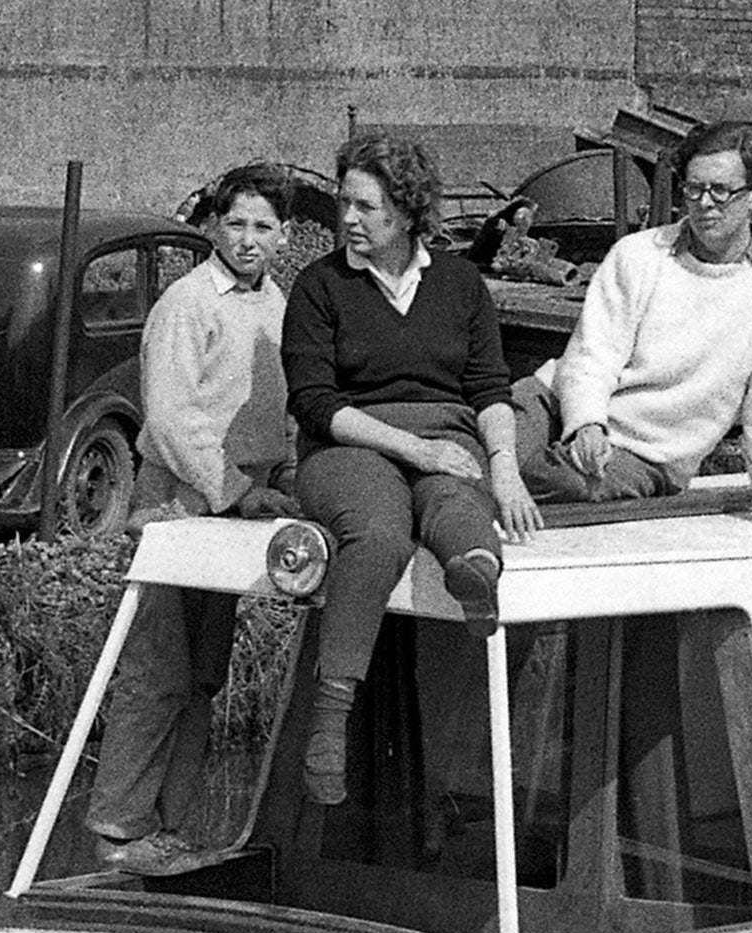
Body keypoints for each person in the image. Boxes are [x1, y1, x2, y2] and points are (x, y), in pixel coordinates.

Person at [282, 131, 542, 806]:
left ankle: (474, 572)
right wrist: (418, 450)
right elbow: (313, 402)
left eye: (365, 207)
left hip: (447, 433)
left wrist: (505, 469)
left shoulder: (458, 283)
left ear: (405, 211)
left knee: (457, 505)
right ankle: (331, 719)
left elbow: (489, 388)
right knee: (380, 533)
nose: (348, 219)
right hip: (348, 445)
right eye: (345, 203)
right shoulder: (318, 288)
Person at [85, 162, 299, 876]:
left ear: (284, 236)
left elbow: (284, 414)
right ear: (212, 227)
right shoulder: (185, 303)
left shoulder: (279, 308)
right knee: (157, 672)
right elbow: (174, 421)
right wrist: (235, 490)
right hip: (176, 507)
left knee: (204, 674)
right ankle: (118, 829)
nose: (247, 239)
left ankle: (172, 828)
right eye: (235, 224)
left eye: (262, 226)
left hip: (239, 513)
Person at [514, 120, 752, 529]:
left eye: (720, 190)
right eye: (693, 189)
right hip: (560, 403)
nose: (704, 203)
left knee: (549, 481)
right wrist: (586, 423)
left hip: (647, 455)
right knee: (480, 438)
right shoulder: (638, 254)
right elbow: (593, 353)